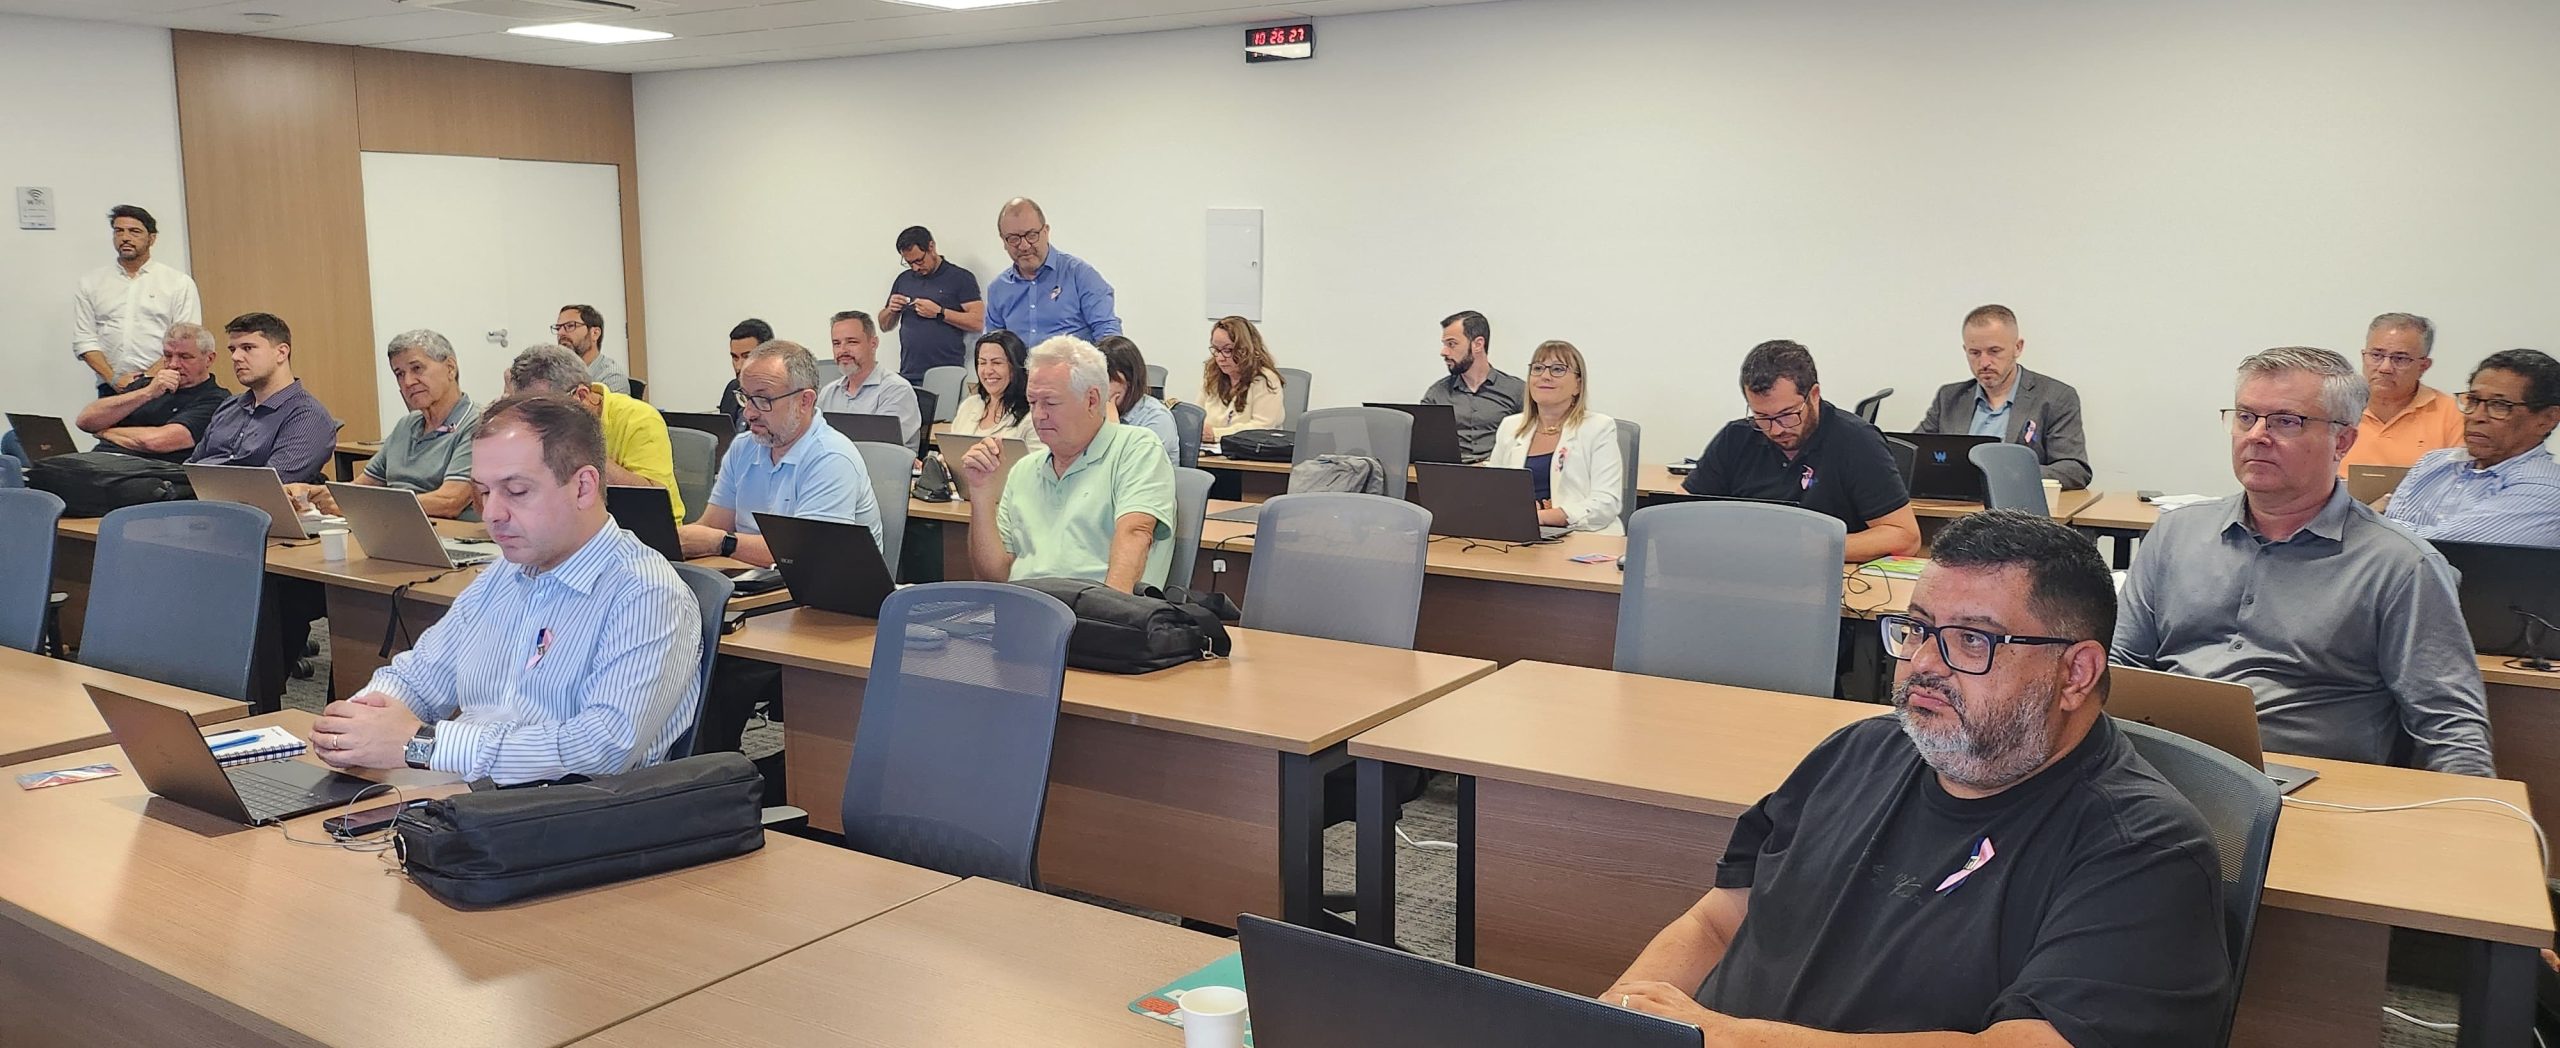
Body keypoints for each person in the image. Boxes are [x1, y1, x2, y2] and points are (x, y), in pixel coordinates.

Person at [1607, 510, 2228, 1045]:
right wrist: (1622, 1018)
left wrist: (1727, 1038)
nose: (1924, 664)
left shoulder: (2144, 850)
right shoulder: (1858, 752)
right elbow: (1719, 921)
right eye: (1918, 630)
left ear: (2076, 674)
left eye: (1972, 641)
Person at [2115, 346, 2492, 776]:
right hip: (2160, 768)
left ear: (2342, 441)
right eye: (2245, 417)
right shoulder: (2176, 533)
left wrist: (2472, 811)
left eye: (2286, 421)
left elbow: (2450, 726)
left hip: (2314, 784)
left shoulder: (2401, 565)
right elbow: (2119, 664)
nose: (2257, 435)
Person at [308, 394, 702, 784]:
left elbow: (601, 748)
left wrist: (422, 744)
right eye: (483, 492)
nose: (493, 514)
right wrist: (360, 722)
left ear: (583, 487)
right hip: (472, 794)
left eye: (516, 491)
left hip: (570, 809)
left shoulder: (647, 594)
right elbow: (420, 676)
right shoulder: (504, 573)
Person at [961, 336, 1174, 591]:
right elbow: (994, 577)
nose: (1038, 415)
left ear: (1092, 400)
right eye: (1032, 402)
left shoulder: (1137, 448)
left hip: (1097, 607)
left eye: (1050, 403)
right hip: (1028, 607)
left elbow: (1135, 534)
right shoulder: (1023, 470)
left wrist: (1108, 610)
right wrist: (981, 493)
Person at [1683, 340, 1921, 561]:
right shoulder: (1736, 437)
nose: (1776, 429)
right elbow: (1680, 512)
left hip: (1826, 574)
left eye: (1787, 415)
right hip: (1745, 570)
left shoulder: (1857, 441)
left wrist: (1818, 549)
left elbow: (1906, 538)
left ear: (1814, 395)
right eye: (1762, 416)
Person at [679, 339, 884, 566]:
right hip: (754, 576)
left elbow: (806, 556)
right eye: (745, 398)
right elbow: (711, 527)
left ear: (804, 401)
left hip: (827, 584)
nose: (748, 413)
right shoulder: (744, 447)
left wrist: (723, 543)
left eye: (762, 400)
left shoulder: (831, 457)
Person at [288, 330, 481, 520]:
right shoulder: (406, 425)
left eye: (417, 368)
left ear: (450, 368)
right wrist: (312, 492)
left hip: (449, 531)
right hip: (396, 524)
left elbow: (450, 502)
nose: (408, 382)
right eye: (399, 374)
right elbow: (361, 487)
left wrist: (364, 506)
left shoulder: (479, 424)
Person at [2383, 348, 2560, 547]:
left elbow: (2447, 547)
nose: (2476, 416)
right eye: (2473, 400)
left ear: (2547, 419)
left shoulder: (2548, 487)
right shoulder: (2433, 463)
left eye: (2500, 405)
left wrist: (2367, 525)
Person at [1913, 304, 2092, 489]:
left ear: (2018, 347)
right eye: (1974, 353)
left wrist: (2009, 474)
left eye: (1994, 351)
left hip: (2017, 502)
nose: (1984, 362)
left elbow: (2074, 470)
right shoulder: (1949, 398)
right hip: (1953, 501)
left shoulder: (2055, 397)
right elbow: (1912, 454)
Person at [502, 346, 683, 524]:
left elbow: (653, 502)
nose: (536, 420)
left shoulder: (639, 418)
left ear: (581, 396)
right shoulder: (531, 424)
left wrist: (579, 446)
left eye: (544, 410)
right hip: (570, 527)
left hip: (642, 529)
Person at [1487, 341, 1625, 535]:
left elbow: (1606, 502)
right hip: (1518, 534)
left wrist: (1544, 517)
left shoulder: (1599, 428)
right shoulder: (1510, 427)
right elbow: (1492, 492)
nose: (1545, 376)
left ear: (1578, 385)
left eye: (1558, 369)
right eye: (1538, 368)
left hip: (1582, 535)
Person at [187, 312, 337, 484]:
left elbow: (269, 487)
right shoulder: (230, 406)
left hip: (244, 500)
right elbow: (193, 468)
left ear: (281, 353)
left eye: (248, 348)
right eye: (233, 350)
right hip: (199, 495)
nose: (235, 357)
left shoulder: (308, 417)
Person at [73, 204, 200, 396]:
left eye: (134, 231)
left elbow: (186, 340)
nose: (125, 237)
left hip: (165, 384)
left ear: (152, 238)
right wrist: (114, 379)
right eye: (119, 231)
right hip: (111, 386)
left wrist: (146, 379)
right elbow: (84, 340)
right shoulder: (91, 283)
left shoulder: (177, 283)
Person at [69, 322, 228, 464]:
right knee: (58, 467)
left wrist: (104, 431)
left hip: (149, 470)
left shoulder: (216, 399)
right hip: (99, 460)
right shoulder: (147, 386)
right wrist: (147, 393)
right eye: (168, 355)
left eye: (185, 357)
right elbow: (85, 421)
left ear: (209, 359)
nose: (173, 364)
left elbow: (156, 442)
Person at [985, 198, 1122, 346]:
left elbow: (1108, 335)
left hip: (1074, 361)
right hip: (1021, 362)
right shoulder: (998, 289)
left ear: (1046, 231)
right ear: (1003, 241)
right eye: (1013, 239)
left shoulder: (1080, 275)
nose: (1024, 246)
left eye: (1031, 235)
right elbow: (992, 346)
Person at [2339, 312, 2463, 474]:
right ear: (2364, 357)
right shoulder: (2336, 406)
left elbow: (2460, 480)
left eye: (2400, 359)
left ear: (2424, 366)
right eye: (2376, 355)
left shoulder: (2452, 413)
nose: (2385, 368)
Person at [881, 225, 984, 385]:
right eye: (909, 263)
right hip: (909, 373)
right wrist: (891, 310)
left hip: (947, 374)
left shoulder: (960, 278)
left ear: (931, 247)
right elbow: (884, 325)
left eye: (919, 260)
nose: (915, 267)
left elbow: (978, 322)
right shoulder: (904, 279)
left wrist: (940, 312)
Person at [1420, 310, 1524, 463]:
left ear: (1478, 344)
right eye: (1444, 344)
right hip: (1451, 472)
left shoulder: (1517, 391)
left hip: (1497, 471)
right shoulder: (1437, 394)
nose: (1444, 352)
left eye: (1452, 344)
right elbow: (1423, 444)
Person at [814, 310, 922, 446]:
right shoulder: (828, 393)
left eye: (852, 342)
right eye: (836, 343)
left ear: (873, 344)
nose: (842, 350)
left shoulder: (897, 390)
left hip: (878, 459)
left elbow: (882, 447)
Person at [1200, 315, 1285, 441]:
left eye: (1228, 350)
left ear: (1245, 350)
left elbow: (1262, 428)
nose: (1220, 358)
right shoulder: (1213, 373)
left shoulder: (1265, 379)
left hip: (1250, 449)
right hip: (1212, 449)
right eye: (1216, 350)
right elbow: (1198, 415)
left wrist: (1215, 434)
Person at [1099, 334, 1179, 462]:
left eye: (1108, 380)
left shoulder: (1157, 418)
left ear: (1130, 380)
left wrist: (1113, 429)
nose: (1099, 389)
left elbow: (1136, 469)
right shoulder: (1093, 413)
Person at [949, 330, 1037, 444]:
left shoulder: (1032, 416)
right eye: (982, 363)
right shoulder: (969, 405)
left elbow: (1039, 456)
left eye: (997, 363)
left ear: (1015, 367)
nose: (988, 371)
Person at [556, 303, 629, 396]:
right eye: (558, 328)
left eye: (570, 326)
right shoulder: (559, 373)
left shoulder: (612, 379)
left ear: (595, 333)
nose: (560, 333)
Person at [718, 317, 774, 431]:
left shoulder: (781, 396)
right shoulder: (732, 389)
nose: (739, 366)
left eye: (747, 357)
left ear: (768, 355)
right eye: (735, 357)